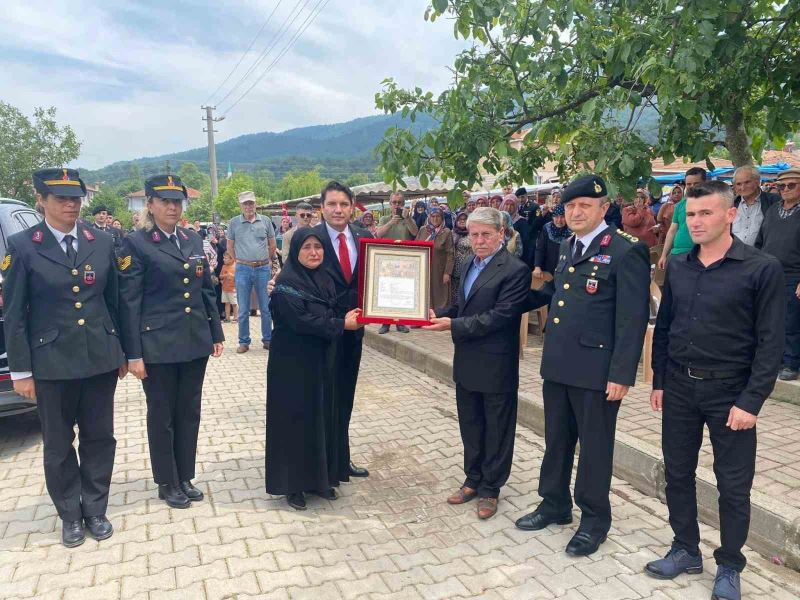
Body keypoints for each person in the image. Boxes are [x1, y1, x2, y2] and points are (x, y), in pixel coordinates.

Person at [647, 181, 784, 600]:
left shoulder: (761, 268)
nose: (697, 221)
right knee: (678, 474)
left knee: (733, 485)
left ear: (730, 214)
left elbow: (771, 342)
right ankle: (686, 548)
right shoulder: (682, 265)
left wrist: (751, 401)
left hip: (732, 395)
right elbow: (665, 326)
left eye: (706, 213)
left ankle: (729, 563)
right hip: (680, 389)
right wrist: (659, 380)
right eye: (691, 214)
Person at [517, 174, 650, 557]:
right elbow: (557, 297)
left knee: (594, 448)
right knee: (557, 440)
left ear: (603, 209)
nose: (575, 212)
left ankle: (594, 520)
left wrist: (622, 374)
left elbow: (632, 318)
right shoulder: (567, 247)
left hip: (597, 371)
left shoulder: (626, 251)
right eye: (570, 206)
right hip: (559, 365)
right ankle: (555, 504)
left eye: (584, 206)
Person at [2, 168, 127, 547]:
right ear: (41, 200)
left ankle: (95, 508)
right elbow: (16, 314)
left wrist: (121, 351)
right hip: (51, 363)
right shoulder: (24, 246)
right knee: (58, 444)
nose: (70, 204)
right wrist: (21, 371)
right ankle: (70, 515)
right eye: (60, 198)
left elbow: (114, 302)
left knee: (99, 438)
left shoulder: (100, 240)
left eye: (75, 197)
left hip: (98, 360)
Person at [117, 174, 224, 509]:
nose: (172, 207)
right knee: (162, 413)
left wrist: (216, 332)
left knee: (189, 411)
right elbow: (129, 301)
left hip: (194, 341)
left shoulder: (192, 239)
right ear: (150, 204)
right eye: (165, 201)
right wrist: (133, 353)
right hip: (158, 347)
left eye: (177, 201)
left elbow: (206, 288)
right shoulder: (136, 243)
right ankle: (167, 480)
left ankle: (185, 475)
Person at [424, 207, 531, 520]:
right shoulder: (468, 262)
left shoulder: (514, 270)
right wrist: (441, 313)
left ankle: (491, 488)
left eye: (486, 234)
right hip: (468, 359)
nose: (480, 240)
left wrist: (452, 326)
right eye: (474, 234)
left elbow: (500, 317)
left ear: (501, 234)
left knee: (497, 428)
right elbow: (463, 305)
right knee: (470, 424)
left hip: (496, 362)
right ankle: (472, 479)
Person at [273, 181, 373, 480]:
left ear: (352, 205)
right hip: (319, 333)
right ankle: (320, 463)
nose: (338, 209)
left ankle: (341, 458)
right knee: (320, 397)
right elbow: (295, 274)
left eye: (343, 204)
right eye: (332, 204)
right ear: (322, 207)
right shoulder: (312, 238)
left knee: (345, 395)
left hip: (354, 329)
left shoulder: (365, 236)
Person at [266, 229, 364, 510]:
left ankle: (320, 480)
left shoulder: (324, 279)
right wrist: (340, 325)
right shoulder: (286, 285)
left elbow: (329, 312)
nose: (313, 252)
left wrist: (344, 317)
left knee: (321, 419)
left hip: (322, 363)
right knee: (297, 423)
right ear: (294, 251)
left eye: (318, 247)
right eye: (306, 247)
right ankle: (293, 486)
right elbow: (302, 322)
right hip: (294, 367)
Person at [755, 167, 800, 381]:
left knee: (791, 322)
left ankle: (791, 363)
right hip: (769, 273)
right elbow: (761, 241)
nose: (785, 189)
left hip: (794, 275)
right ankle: (776, 361)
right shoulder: (773, 210)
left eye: (791, 185)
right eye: (781, 186)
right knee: (771, 321)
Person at [228, 191, 276, 353]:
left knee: (266, 307)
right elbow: (229, 247)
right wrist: (239, 261)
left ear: (255, 203)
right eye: (245, 203)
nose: (248, 206)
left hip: (263, 268)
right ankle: (243, 341)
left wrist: (265, 259)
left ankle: (268, 339)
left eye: (251, 203)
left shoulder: (266, 221)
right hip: (242, 268)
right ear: (240, 205)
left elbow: (272, 244)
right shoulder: (234, 223)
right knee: (243, 309)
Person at [376, 191, 418, 333]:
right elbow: (378, 234)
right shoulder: (384, 219)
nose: (397, 205)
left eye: (400, 202)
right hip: (386, 260)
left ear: (404, 204)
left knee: (402, 292)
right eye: (394, 202)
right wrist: (390, 222)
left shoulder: (408, 219)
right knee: (386, 292)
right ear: (390, 204)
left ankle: (400, 322)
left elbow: (415, 232)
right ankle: (385, 323)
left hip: (404, 261)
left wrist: (408, 219)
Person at [659, 168, 707, 269]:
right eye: (689, 184)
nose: (692, 187)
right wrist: (664, 255)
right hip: (677, 254)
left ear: (705, 183)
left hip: (700, 255)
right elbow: (672, 231)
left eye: (696, 183)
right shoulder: (680, 205)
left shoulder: (711, 204)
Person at [416, 207, 455, 310]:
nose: (435, 219)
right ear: (429, 217)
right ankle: (423, 317)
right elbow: (415, 246)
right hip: (424, 267)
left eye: (438, 216)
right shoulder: (423, 230)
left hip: (439, 269)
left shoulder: (446, 232)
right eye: (433, 216)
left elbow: (450, 253)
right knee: (423, 292)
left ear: (442, 218)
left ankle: (438, 317)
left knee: (439, 293)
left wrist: (447, 272)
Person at [732, 165, 780, 246]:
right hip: (734, 255)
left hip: (762, 256)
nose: (742, 187)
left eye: (747, 182)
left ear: (757, 182)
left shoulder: (774, 202)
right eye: (738, 184)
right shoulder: (731, 205)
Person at [533, 203, 571, 278]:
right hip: (548, 268)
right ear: (552, 217)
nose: (559, 220)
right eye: (556, 217)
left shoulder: (572, 230)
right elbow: (540, 248)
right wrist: (537, 266)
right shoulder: (547, 228)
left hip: (566, 270)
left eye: (562, 217)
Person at [451, 212, 473, 305]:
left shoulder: (472, 233)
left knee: (467, 288)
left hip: (469, 266)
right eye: (460, 219)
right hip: (455, 268)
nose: (462, 221)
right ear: (456, 221)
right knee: (455, 291)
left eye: (465, 219)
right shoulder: (452, 232)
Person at [219, 253, 238, 322]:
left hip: (233, 289)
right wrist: (225, 276)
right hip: (224, 288)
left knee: (234, 304)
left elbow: (238, 278)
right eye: (223, 258)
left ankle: (236, 317)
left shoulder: (236, 266)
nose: (223, 259)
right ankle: (227, 318)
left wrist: (232, 276)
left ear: (231, 259)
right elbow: (220, 276)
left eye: (225, 258)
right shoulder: (224, 266)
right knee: (226, 303)